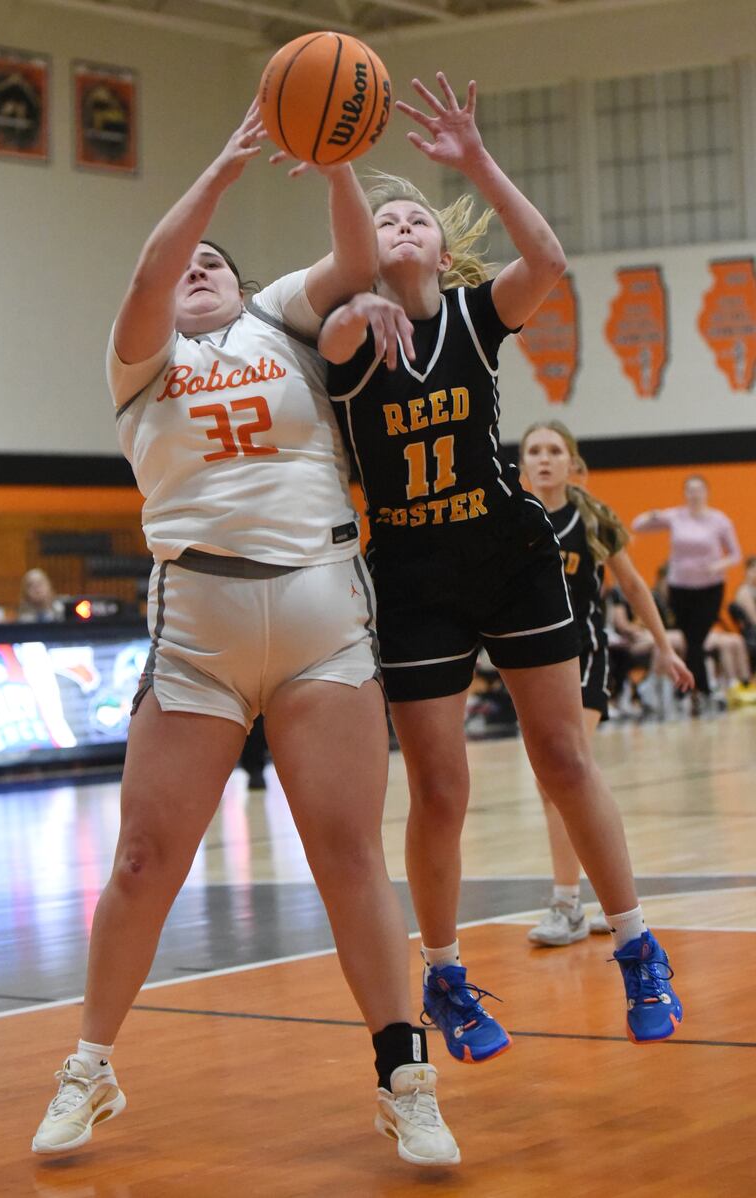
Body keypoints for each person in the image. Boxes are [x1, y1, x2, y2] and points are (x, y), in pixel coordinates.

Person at [31, 101, 459, 1168]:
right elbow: (149, 271)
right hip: (199, 626)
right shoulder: (141, 360)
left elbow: (353, 259)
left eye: (215, 262)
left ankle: (404, 1076)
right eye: (190, 262)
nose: (199, 268)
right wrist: (217, 176)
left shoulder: (279, 320)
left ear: (243, 282)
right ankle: (89, 1066)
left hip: (321, 610)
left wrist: (337, 162)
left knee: (348, 854)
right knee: (142, 860)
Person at [321, 72, 683, 1052]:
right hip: (412, 577)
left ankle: (635, 942)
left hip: (507, 553)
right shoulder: (345, 337)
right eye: (385, 221)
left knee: (562, 754)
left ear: (444, 251)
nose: (402, 226)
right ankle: (443, 974)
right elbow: (341, 312)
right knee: (440, 789)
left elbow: (549, 259)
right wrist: (339, 169)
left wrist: (475, 159)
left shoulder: (475, 317)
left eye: (418, 220)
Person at [519, 422, 693, 943]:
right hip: (530, 661)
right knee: (563, 780)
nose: (544, 459)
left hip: (584, 655)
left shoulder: (591, 519)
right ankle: (608, 892)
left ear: (572, 464)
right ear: (522, 464)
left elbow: (634, 586)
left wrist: (664, 648)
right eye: (534, 451)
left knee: (560, 773)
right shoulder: (512, 516)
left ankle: (567, 904)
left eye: (554, 450)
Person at [632, 476, 741, 709]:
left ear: (706, 492)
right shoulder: (676, 516)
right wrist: (652, 514)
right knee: (690, 639)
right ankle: (698, 690)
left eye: (698, 490)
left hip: (710, 588)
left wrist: (717, 566)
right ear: (685, 494)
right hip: (680, 588)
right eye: (690, 490)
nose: (694, 494)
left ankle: (692, 689)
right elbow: (637, 526)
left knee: (696, 639)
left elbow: (735, 555)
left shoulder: (719, 520)